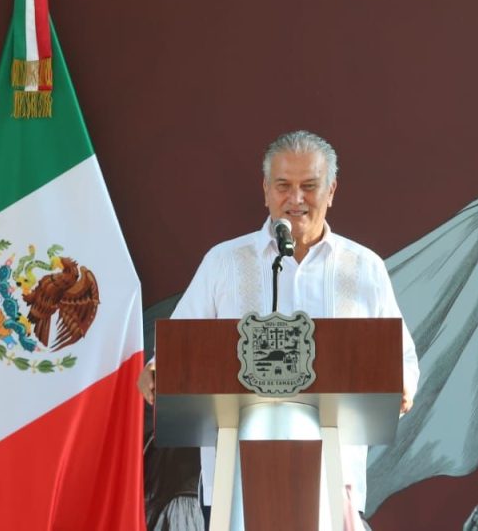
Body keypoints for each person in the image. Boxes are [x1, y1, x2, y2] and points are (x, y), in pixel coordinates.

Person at [137, 130, 420, 530]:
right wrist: (157, 369)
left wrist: (402, 382)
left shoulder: (364, 268)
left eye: (309, 186)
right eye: (284, 186)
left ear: (331, 190)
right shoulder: (224, 262)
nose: (296, 199)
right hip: (232, 481)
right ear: (266, 190)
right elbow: (179, 348)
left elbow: (402, 359)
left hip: (332, 480)